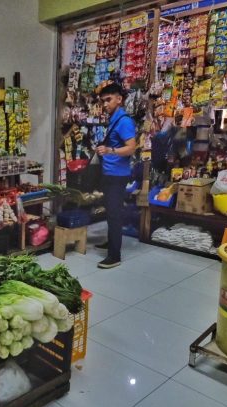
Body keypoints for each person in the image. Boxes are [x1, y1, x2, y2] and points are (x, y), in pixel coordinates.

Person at [95, 83, 137, 269]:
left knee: (114, 214)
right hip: (109, 173)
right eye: (103, 101)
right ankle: (111, 241)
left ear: (119, 99)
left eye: (108, 100)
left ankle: (114, 255)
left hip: (118, 175)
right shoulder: (114, 119)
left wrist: (110, 150)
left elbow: (131, 148)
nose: (105, 104)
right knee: (110, 211)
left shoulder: (124, 121)